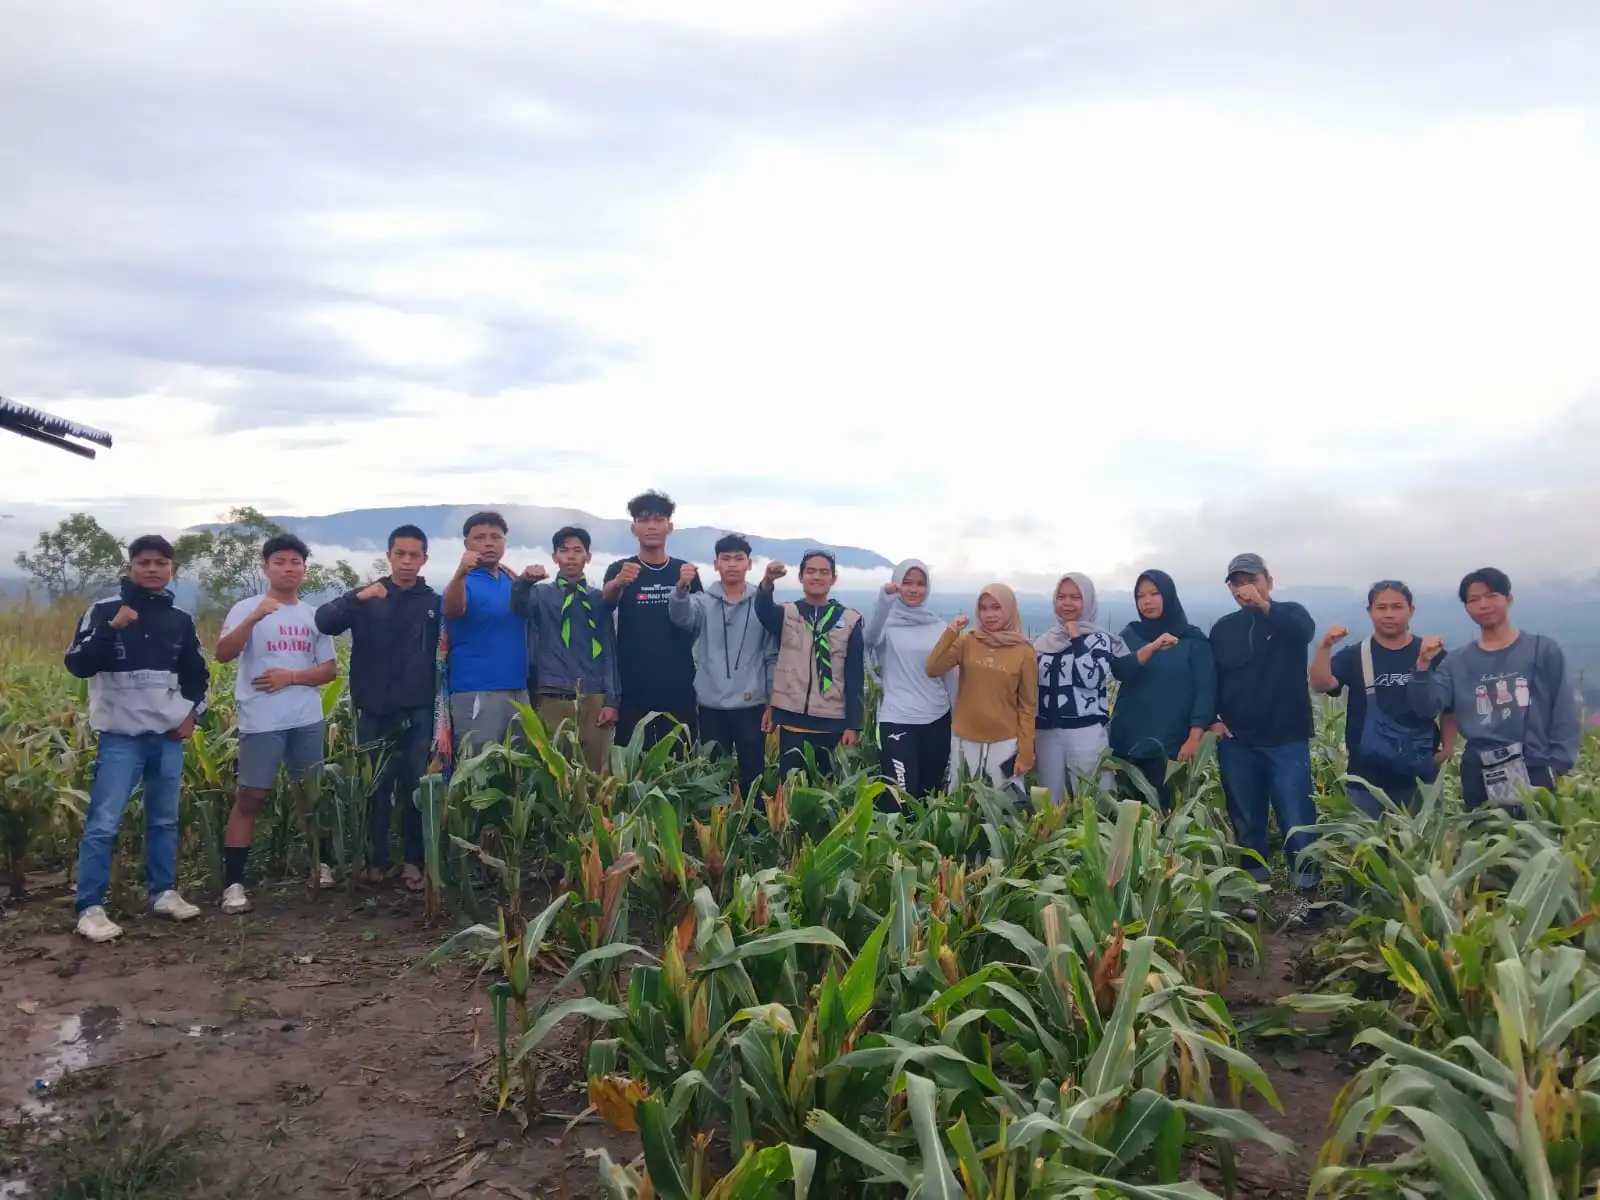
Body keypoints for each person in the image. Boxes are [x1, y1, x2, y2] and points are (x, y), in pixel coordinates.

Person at [64, 535, 209, 942]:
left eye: (160, 562)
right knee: (103, 822)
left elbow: (198, 675)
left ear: (171, 568)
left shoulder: (179, 618)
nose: (152, 569)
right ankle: (90, 907)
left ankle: (162, 892)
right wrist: (112, 629)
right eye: (144, 562)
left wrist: (192, 716)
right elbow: (77, 664)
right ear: (131, 567)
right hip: (120, 736)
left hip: (167, 736)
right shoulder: (104, 611)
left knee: (164, 819)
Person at [214, 534, 339, 914]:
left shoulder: (313, 615)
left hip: (305, 718)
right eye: (280, 561)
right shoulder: (245, 608)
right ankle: (233, 884)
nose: (289, 568)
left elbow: (329, 670)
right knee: (251, 796)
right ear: (266, 567)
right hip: (261, 719)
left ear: (304, 568)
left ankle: (322, 865)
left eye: (295, 562)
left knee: (310, 795)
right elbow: (223, 654)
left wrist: (291, 677)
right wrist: (254, 618)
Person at [315, 524, 440, 894]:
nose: (406, 561)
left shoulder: (432, 602)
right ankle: (376, 860)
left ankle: (414, 862)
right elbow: (324, 621)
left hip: (417, 710)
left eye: (413, 555)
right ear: (388, 557)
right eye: (399, 554)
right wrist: (358, 598)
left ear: (424, 559)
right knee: (375, 788)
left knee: (416, 788)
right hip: (373, 708)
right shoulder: (369, 596)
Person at [1409, 567, 1581, 812]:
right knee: (1487, 843)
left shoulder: (1542, 650)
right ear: (1466, 608)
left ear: (1508, 599)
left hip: (1535, 765)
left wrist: (1557, 766)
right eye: (1473, 600)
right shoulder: (1457, 661)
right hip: (1480, 770)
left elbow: (1565, 708)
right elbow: (1427, 707)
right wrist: (1423, 665)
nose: (1483, 605)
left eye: (1491, 596)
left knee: (1533, 844)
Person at [1209, 553, 1320, 927]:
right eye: (1236, 582)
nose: (1244, 587)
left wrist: (1266, 608)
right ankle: (1252, 892)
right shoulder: (1224, 629)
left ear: (1268, 581)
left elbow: (1303, 633)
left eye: (1251, 579)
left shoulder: (1290, 615)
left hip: (1286, 738)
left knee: (1296, 816)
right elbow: (1214, 680)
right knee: (1246, 818)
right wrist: (1212, 720)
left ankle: (1307, 893)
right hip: (1238, 741)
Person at [1309, 580, 1456, 816]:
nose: (1389, 614)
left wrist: (1447, 750)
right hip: (1365, 779)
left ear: (1411, 610)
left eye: (1397, 607)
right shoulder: (1355, 655)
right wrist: (1325, 646)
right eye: (1381, 607)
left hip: (1420, 776)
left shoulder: (1432, 654)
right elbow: (1319, 684)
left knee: (1424, 848)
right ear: (1370, 612)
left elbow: (1450, 705)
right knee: (1366, 848)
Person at [1035, 572, 1181, 804]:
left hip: (1085, 732)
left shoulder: (1099, 640)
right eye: (1061, 597)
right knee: (1048, 802)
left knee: (1093, 800)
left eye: (1075, 597)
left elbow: (1090, 678)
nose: (1067, 603)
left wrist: (1076, 638)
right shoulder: (1043, 642)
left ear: (1088, 601)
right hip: (1045, 733)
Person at [668, 533, 778, 801]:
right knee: (713, 773)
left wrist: (771, 701)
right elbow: (681, 619)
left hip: (752, 705)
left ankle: (753, 828)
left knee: (754, 773)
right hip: (710, 705)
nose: (732, 564)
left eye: (738, 559)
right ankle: (715, 831)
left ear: (749, 564)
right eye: (725, 559)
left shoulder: (762, 604)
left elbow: (771, 655)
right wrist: (681, 588)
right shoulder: (702, 601)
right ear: (715, 564)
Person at [512, 525, 620, 773]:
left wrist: (612, 701)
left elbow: (608, 651)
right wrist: (523, 582)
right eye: (564, 551)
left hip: (593, 699)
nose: (571, 556)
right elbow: (518, 606)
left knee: (596, 774)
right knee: (555, 775)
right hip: (552, 695)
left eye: (577, 551)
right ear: (555, 557)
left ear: (588, 557)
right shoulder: (540, 594)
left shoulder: (598, 598)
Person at [602, 491, 703, 750]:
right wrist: (618, 583)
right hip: (633, 687)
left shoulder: (685, 571)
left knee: (680, 763)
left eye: (658, 520)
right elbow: (606, 603)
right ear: (633, 528)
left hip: (679, 686)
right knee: (632, 766)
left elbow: (697, 623)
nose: (651, 526)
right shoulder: (620, 569)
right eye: (644, 520)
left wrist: (684, 585)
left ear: (670, 526)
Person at [1107, 570, 1215, 808]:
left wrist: (1195, 737)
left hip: (1171, 745)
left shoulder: (1192, 641)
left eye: (1154, 594)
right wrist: (1153, 648)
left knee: (1166, 812)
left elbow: (1205, 690)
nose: (1147, 601)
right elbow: (1120, 670)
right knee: (1129, 812)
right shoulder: (1132, 634)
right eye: (1140, 596)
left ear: (1168, 596)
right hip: (1128, 742)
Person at [755, 551, 864, 777]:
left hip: (831, 720)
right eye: (811, 571)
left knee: (824, 788)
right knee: (791, 785)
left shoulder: (850, 620)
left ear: (833, 579)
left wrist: (853, 725)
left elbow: (855, 675)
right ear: (801, 577)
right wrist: (767, 582)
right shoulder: (787, 613)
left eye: (825, 572)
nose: (817, 577)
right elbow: (763, 611)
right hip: (792, 718)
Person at [926, 584, 1037, 790]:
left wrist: (1025, 751)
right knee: (959, 800)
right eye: (983, 608)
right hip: (964, 739)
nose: (989, 614)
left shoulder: (1024, 651)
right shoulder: (967, 641)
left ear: (1009, 609)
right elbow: (933, 668)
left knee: (1006, 806)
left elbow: (1028, 706)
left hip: (1005, 741)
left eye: (996, 607)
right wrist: (951, 632)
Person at [864, 559, 955, 800]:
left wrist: (957, 722)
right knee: (898, 797)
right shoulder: (886, 625)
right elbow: (870, 638)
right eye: (907, 582)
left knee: (929, 795)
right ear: (897, 583)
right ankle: (894, 839)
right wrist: (885, 598)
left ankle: (924, 840)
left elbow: (950, 677)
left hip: (937, 719)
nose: (914, 589)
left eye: (920, 584)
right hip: (898, 719)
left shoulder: (939, 627)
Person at [442, 511, 529, 755]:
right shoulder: (464, 582)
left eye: (495, 537)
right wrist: (460, 572)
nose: (488, 543)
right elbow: (451, 609)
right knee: (477, 772)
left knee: (516, 773)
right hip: (477, 692)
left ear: (505, 543)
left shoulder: (512, 581)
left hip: (518, 691)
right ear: (466, 545)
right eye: (479, 537)